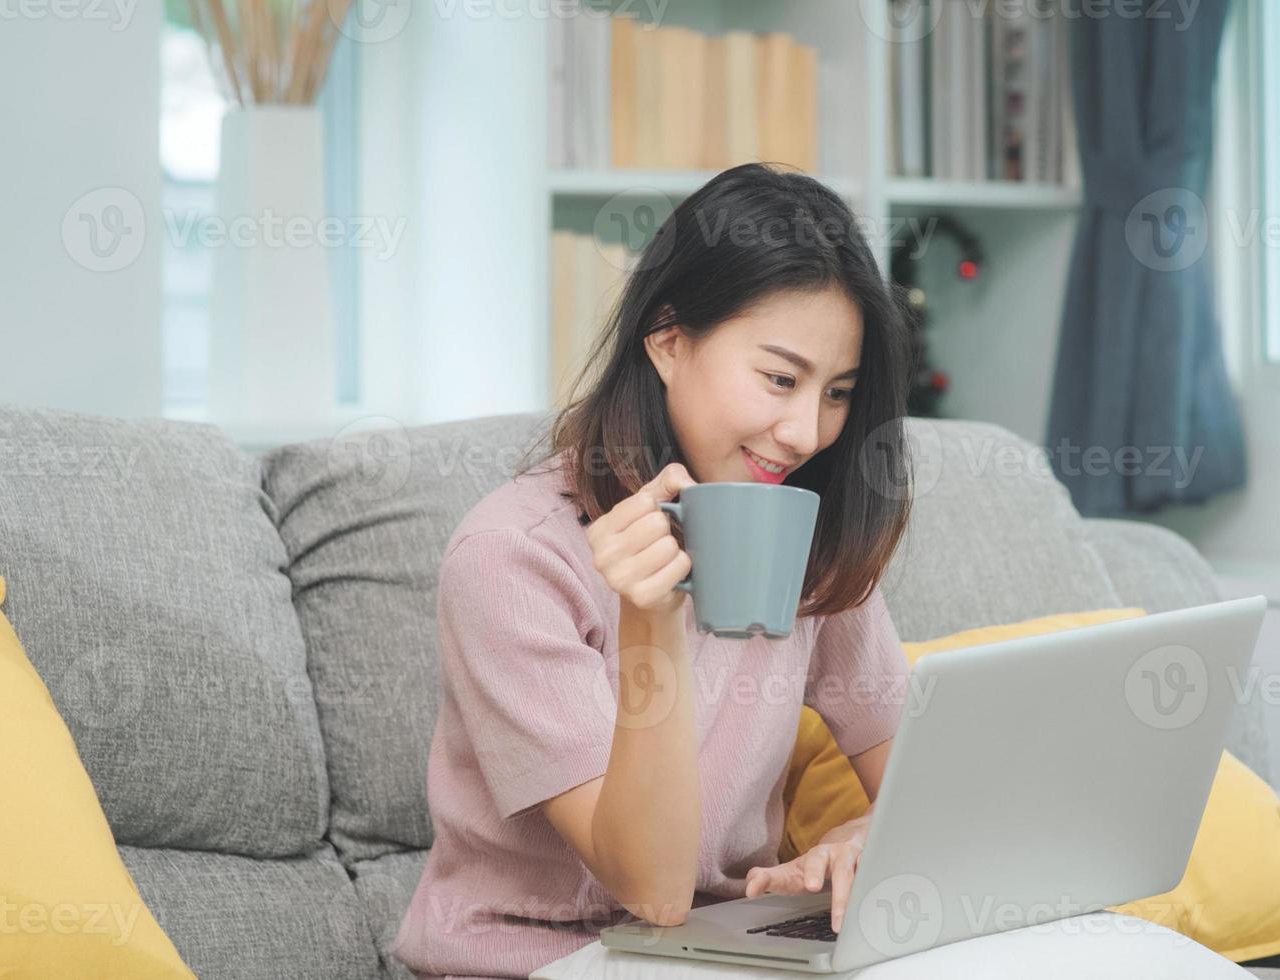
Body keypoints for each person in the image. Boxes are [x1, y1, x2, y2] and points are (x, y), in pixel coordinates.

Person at [393, 163, 919, 980]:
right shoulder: (512, 557)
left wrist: (859, 838)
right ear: (669, 340)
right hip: (529, 964)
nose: (807, 431)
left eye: (838, 392)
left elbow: (925, 789)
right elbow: (655, 888)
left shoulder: (804, 538)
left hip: (725, 957)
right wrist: (652, 622)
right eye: (780, 379)